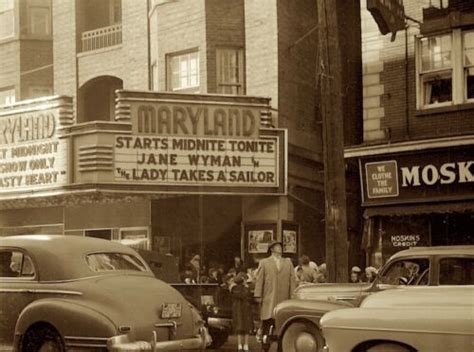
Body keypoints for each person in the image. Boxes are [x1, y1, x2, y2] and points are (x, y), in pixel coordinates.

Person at [254, 241, 296, 350]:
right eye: (277, 247)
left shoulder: (288, 262)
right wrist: (258, 294)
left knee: (282, 325)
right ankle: (265, 347)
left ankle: (280, 348)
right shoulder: (264, 262)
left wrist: (292, 295)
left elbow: (292, 280)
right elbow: (259, 279)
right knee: (267, 324)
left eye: (280, 246)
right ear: (271, 249)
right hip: (269, 297)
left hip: (284, 298)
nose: (280, 248)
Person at [230, 271, 254, 352]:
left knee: (240, 328)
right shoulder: (246, 288)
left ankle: (240, 345)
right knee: (246, 328)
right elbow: (247, 296)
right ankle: (245, 345)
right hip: (245, 309)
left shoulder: (233, 288)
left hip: (238, 310)